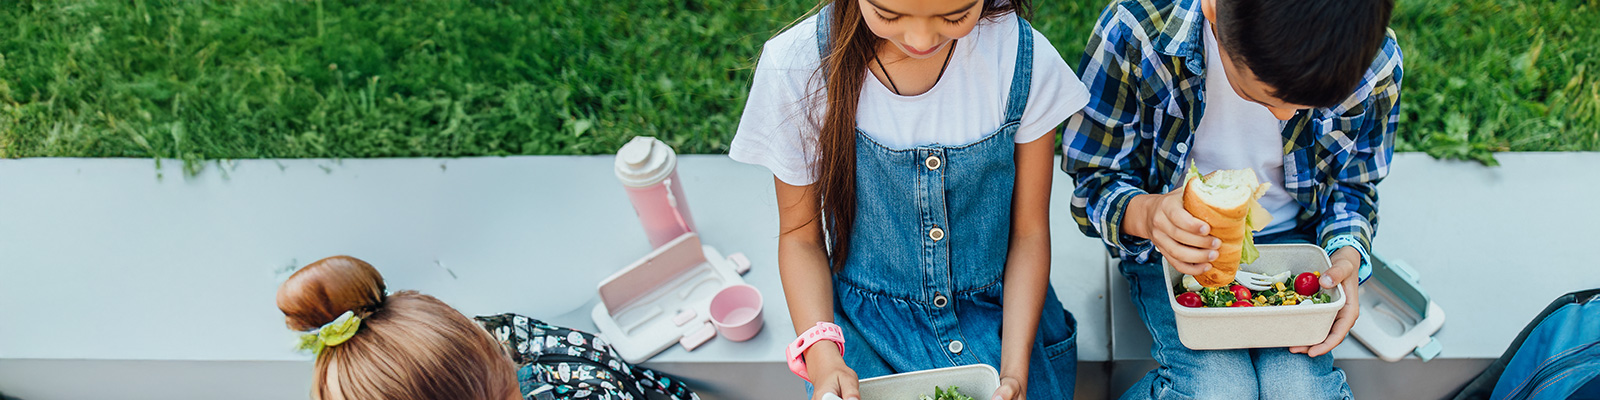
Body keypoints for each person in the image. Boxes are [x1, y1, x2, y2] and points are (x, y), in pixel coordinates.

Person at [729, 0, 1092, 399]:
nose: (920, 39)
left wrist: (1015, 373)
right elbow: (801, 238)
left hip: (1008, 325)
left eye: (954, 16)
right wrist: (823, 357)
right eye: (889, 15)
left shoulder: (1021, 58)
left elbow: (1029, 235)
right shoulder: (797, 67)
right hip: (865, 336)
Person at [1060, 0, 1402, 397]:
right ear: (1212, 9)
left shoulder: (1371, 62)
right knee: (1217, 389)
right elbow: (1094, 178)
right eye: (1264, 97)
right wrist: (1148, 215)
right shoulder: (1135, 32)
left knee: (1300, 390)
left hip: (1296, 242)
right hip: (1173, 246)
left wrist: (1347, 252)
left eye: (1310, 106)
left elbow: (1354, 185)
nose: (1285, 116)